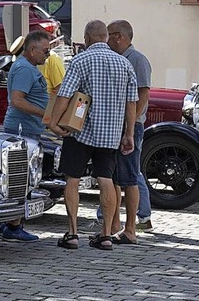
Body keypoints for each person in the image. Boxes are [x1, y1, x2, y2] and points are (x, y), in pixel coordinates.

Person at [48, 20, 138, 251]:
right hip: (110, 133)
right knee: (106, 179)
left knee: (73, 178)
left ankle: (73, 233)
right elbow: (131, 103)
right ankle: (106, 234)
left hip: (79, 131)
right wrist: (128, 133)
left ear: (87, 38)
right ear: (106, 37)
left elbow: (64, 96)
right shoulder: (124, 64)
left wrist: (54, 122)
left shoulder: (80, 60)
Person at [0, 31, 51, 243]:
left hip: (29, 129)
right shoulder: (24, 69)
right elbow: (17, 101)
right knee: (20, 179)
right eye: (45, 50)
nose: (48, 54)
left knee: (23, 179)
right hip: (21, 130)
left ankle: (11, 223)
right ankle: (13, 226)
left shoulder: (29, 68)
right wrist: (44, 114)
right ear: (32, 50)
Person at [105, 20, 153, 243]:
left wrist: (131, 125)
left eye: (109, 36)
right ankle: (114, 224)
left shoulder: (137, 59)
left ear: (118, 37)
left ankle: (131, 228)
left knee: (130, 177)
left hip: (131, 126)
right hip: (116, 126)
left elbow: (142, 96)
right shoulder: (118, 59)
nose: (106, 41)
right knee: (114, 177)